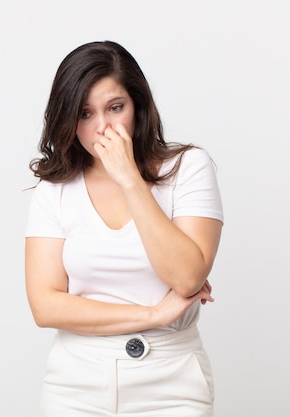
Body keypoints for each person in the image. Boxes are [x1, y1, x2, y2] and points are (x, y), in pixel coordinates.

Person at [24, 40, 224, 417]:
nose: (103, 127)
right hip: (76, 383)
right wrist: (153, 315)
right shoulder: (55, 191)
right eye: (85, 114)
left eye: (116, 108)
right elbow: (45, 305)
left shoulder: (188, 168)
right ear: (68, 120)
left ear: (138, 106)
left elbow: (186, 277)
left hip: (173, 381)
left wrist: (129, 178)